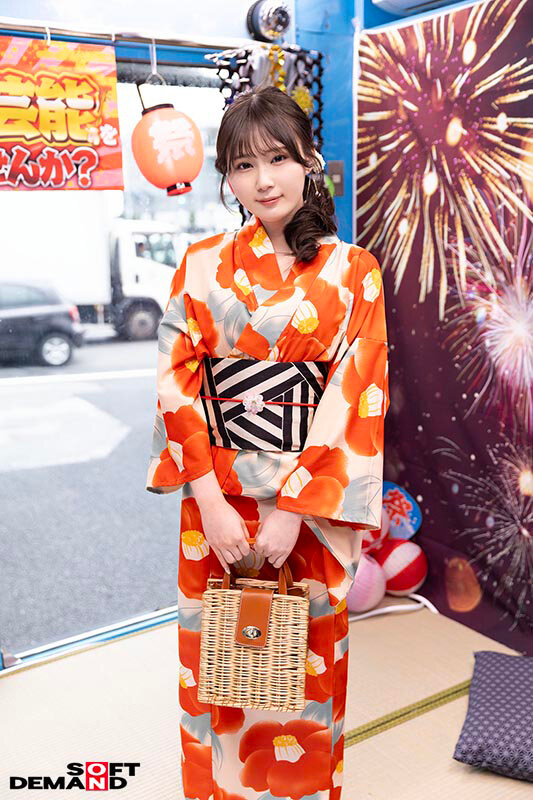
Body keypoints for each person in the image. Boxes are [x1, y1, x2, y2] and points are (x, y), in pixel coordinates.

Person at [146, 85, 390, 800]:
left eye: (278, 158)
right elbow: (174, 384)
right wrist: (210, 503)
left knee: (303, 669)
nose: (263, 180)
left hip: (307, 504)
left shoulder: (354, 270)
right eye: (243, 165)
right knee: (218, 664)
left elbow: (356, 392)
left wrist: (291, 510)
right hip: (215, 504)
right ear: (227, 177)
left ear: (308, 160)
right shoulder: (200, 263)